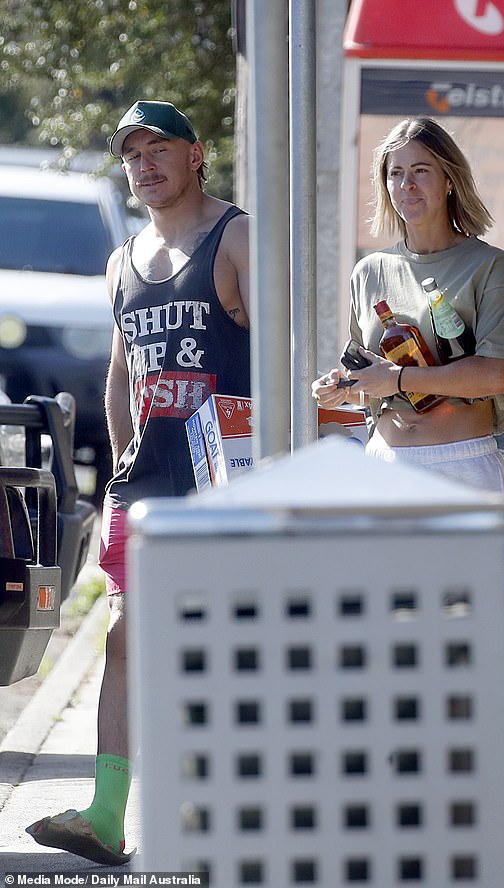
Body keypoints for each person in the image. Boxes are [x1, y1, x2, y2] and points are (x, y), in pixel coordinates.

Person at [26, 100, 250, 864]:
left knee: (222, 647)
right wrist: (121, 466)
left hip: (224, 485)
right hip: (147, 487)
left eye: (161, 148)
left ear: (197, 155)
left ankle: (225, 810)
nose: (145, 164)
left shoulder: (238, 237)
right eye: (132, 155)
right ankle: (108, 813)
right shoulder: (122, 261)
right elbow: (123, 371)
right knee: (125, 643)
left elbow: (290, 350)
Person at [312, 116, 504, 492]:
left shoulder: (489, 265)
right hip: (384, 465)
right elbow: (373, 382)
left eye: (420, 170)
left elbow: (498, 375)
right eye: (395, 173)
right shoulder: (368, 271)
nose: (406, 185)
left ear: (449, 180)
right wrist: (342, 388)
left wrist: (397, 378)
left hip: (462, 466)